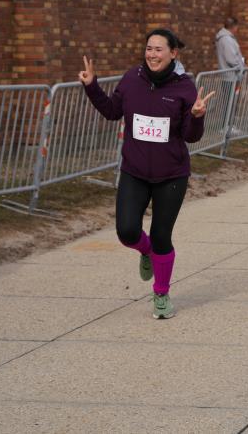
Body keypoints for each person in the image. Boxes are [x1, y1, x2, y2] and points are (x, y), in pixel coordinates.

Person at [81, 28, 215, 319]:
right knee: (127, 231)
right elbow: (112, 111)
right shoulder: (132, 78)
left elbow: (190, 136)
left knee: (161, 235)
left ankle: (161, 294)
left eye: (158, 49)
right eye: (149, 49)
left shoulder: (184, 88)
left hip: (172, 175)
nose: (152, 55)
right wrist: (92, 86)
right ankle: (146, 251)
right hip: (135, 170)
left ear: (173, 53)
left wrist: (197, 117)